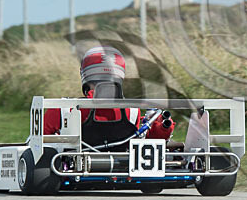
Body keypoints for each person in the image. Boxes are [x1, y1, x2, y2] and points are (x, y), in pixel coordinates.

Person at [43, 46, 174, 149]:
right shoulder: (132, 111)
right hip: (121, 168)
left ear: (85, 74)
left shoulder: (63, 109)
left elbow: (40, 142)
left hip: (74, 167)